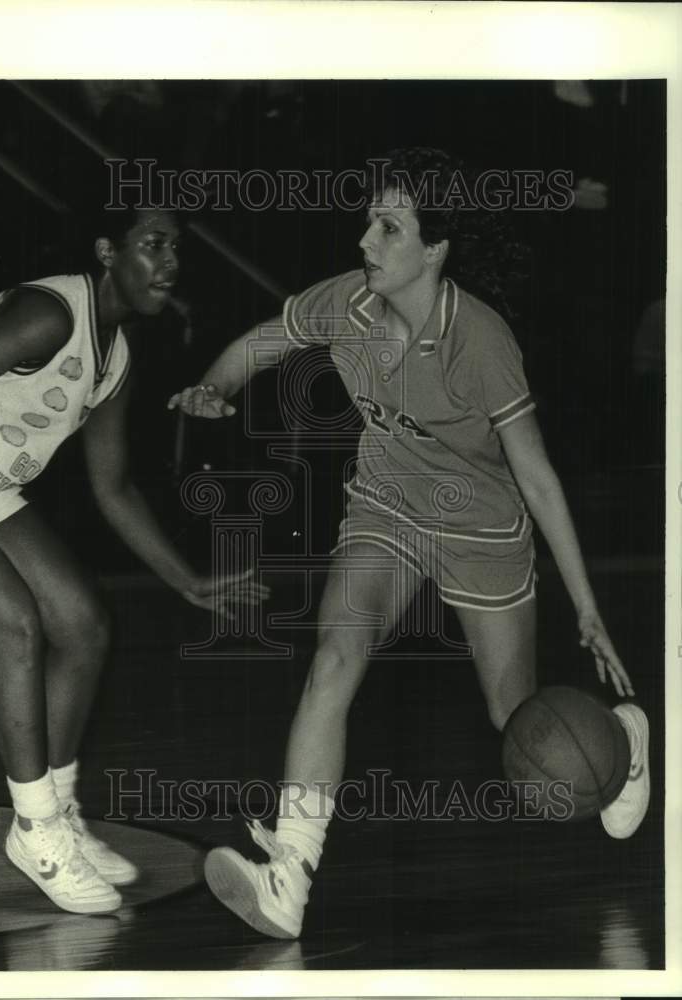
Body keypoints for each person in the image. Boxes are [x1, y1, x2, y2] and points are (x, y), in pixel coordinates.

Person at [168, 147, 650, 940]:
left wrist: (588, 611)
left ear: (434, 250)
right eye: (368, 219)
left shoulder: (480, 342)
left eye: (388, 226)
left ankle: (621, 739)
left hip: (480, 529)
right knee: (334, 657)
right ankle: (288, 870)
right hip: (385, 510)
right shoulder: (347, 304)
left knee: (519, 723)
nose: (365, 237)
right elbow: (264, 340)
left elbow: (536, 478)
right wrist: (215, 387)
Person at [0, 204, 267, 915]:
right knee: (16, 628)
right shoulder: (50, 313)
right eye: (153, 244)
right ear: (106, 251)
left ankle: (58, 810)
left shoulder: (114, 359)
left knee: (84, 624)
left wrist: (188, 581)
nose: (169, 262)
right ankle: (37, 830)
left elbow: (112, 487)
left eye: (177, 248)